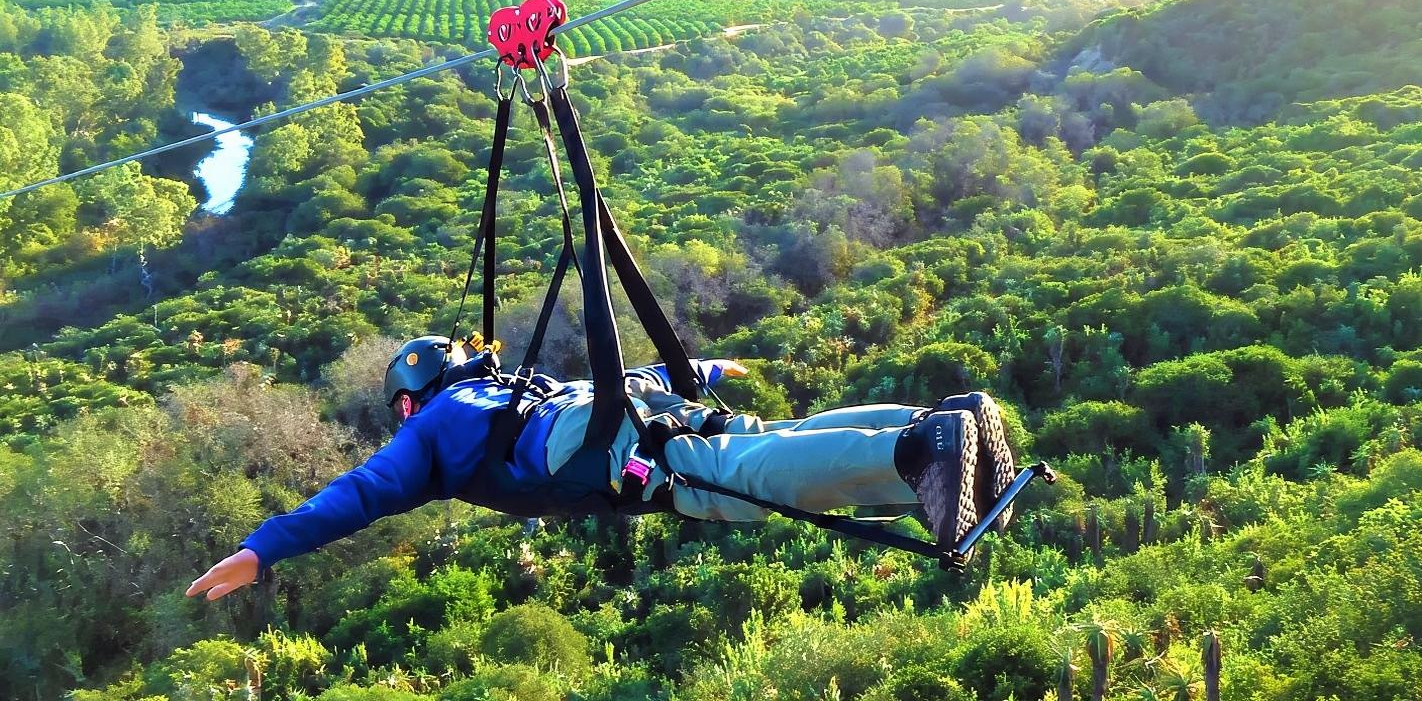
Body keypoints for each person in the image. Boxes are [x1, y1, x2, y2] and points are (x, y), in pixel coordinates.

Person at [187, 336, 1016, 601]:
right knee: (763, 441)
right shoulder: (512, 384)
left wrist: (263, 548)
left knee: (737, 483)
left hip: (590, 444)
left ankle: (919, 455)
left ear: (411, 397)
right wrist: (707, 370)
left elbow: (357, 495)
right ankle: (941, 422)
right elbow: (642, 379)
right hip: (613, 404)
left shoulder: (432, 428)